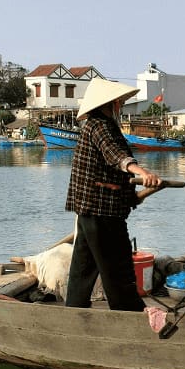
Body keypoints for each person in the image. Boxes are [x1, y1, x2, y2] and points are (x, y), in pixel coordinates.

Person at [64, 77, 163, 310]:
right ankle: (129, 314)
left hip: (91, 210)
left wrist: (138, 192)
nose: (120, 105)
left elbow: (112, 165)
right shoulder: (99, 126)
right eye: (118, 102)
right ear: (111, 104)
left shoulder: (97, 124)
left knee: (84, 268)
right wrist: (140, 171)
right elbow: (116, 155)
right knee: (117, 268)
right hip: (101, 211)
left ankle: (74, 311)